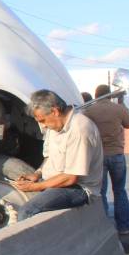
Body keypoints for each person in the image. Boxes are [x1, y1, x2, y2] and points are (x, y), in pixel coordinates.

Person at [14, 89, 103, 219]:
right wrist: (37, 174)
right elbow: (49, 157)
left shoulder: (80, 129)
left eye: (43, 120)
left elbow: (71, 177)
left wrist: (36, 186)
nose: (42, 126)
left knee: (27, 212)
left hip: (78, 188)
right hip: (57, 181)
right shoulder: (55, 125)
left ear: (55, 111)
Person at [82, 83, 129, 234]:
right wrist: (121, 103)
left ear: (96, 95)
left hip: (99, 157)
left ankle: (105, 229)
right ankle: (124, 227)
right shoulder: (118, 109)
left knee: (101, 193)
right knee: (120, 191)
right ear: (110, 94)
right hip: (117, 155)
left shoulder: (89, 111)